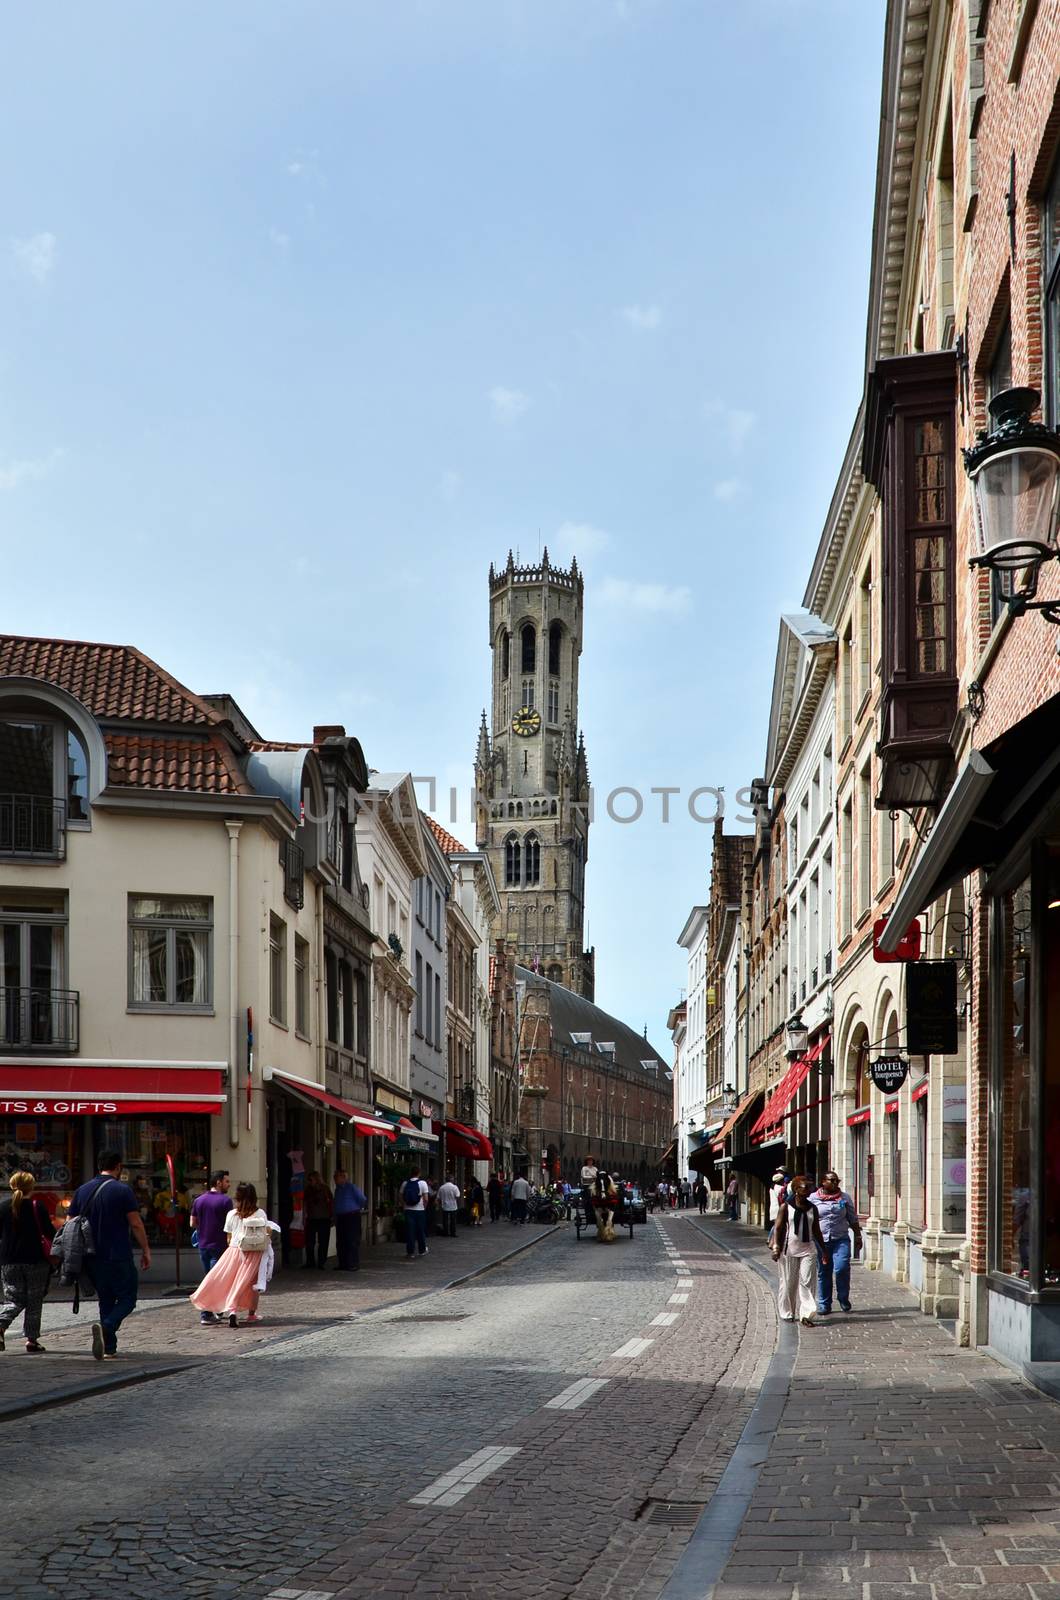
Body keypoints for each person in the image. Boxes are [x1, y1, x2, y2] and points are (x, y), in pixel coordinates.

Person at [70, 1148, 151, 1360]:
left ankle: (109, 1347)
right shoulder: (122, 1191)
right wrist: (146, 1250)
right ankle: (106, 1327)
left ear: (98, 1166)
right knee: (127, 1298)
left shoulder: (82, 1190)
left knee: (106, 1299)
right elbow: (135, 1223)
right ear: (118, 1166)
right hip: (117, 1253)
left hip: (91, 1256)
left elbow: (71, 1223)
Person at [191, 1183, 279, 1326]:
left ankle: (232, 1310)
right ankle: (251, 1314)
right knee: (250, 1283)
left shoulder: (231, 1214)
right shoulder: (260, 1213)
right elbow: (265, 1232)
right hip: (254, 1252)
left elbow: (228, 1237)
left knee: (231, 1281)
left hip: (234, 1250)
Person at [0, 1172, 55, 1353]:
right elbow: (49, 1232)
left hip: (9, 1261)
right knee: (34, 1300)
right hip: (35, 1260)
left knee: (13, 1298)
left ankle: (1, 1325)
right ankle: (32, 1340)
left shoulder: (3, 1207)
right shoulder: (36, 1206)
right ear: (31, 1187)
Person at [771, 1174, 826, 1326]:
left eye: (810, 1187)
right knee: (789, 1283)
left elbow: (816, 1231)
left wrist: (824, 1250)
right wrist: (776, 1248)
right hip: (789, 1250)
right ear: (796, 1189)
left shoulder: (812, 1208)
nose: (809, 1190)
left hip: (808, 1249)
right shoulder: (786, 1207)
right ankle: (787, 1312)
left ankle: (806, 1314)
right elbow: (778, 1228)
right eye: (805, 1187)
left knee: (807, 1281)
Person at [810, 1170, 863, 1314]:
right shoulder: (813, 1198)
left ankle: (843, 1298)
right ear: (823, 1182)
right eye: (831, 1180)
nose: (834, 1183)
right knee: (824, 1272)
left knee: (841, 1268)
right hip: (821, 1241)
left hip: (841, 1239)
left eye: (836, 1181)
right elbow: (807, 1218)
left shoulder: (844, 1198)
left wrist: (858, 1235)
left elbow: (852, 1218)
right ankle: (824, 1303)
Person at [190, 1171, 232, 1324]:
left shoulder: (199, 1200)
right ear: (219, 1182)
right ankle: (207, 1313)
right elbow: (230, 1225)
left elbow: (192, 1223)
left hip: (203, 1245)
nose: (229, 1184)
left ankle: (216, 1309)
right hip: (219, 1245)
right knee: (214, 1280)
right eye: (227, 1181)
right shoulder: (225, 1201)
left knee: (210, 1277)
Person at [332, 1169, 367, 1271]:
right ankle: (343, 1263)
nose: (334, 1179)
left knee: (351, 1240)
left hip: (352, 1216)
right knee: (341, 1241)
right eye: (334, 1177)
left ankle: (353, 1264)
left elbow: (362, 1199)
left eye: (336, 1177)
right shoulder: (337, 1189)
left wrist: (356, 1208)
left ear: (343, 1177)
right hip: (341, 1217)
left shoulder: (351, 1187)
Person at [302, 1171, 333, 1269]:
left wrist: (331, 1216)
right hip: (311, 1218)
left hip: (324, 1218)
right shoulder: (308, 1190)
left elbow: (330, 1202)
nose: (310, 1182)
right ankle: (310, 1262)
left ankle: (321, 1262)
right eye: (309, 1180)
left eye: (311, 1180)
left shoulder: (325, 1189)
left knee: (323, 1241)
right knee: (309, 1241)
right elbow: (305, 1203)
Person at [401, 1168, 430, 1260]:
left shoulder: (405, 1183)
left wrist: (404, 1206)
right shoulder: (423, 1183)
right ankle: (422, 1250)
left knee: (410, 1231)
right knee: (420, 1230)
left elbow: (400, 1196)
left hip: (408, 1210)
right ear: (419, 1173)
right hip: (419, 1211)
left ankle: (410, 1252)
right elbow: (426, 1198)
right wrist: (424, 1207)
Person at [437, 1172, 461, 1237]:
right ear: (451, 1179)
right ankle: (453, 1233)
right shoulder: (454, 1187)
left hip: (444, 1206)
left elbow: (438, 1198)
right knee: (453, 1220)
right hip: (453, 1206)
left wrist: (440, 1203)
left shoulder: (442, 1187)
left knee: (445, 1220)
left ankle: (445, 1232)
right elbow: (457, 1196)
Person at [767, 1169, 789, 1238]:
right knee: (776, 1226)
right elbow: (783, 1196)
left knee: (776, 1225)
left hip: (773, 1209)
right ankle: (770, 1239)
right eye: (782, 1180)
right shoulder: (779, 1188)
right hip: (778, 1210)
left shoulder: (772, 1188)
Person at [580, 1155, 599, 1221]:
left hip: (594, 1185)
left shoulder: (595, 1168)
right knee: (588, 1199)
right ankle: (588, 1212)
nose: (590, 1162)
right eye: (589, 1160)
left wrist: (593, 1177)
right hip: (587, 1185)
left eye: (591, 1160)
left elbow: (598, 1176)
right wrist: (592, 1177)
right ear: (586, 1161)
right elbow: (584, 1177)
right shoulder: (584, 1168)